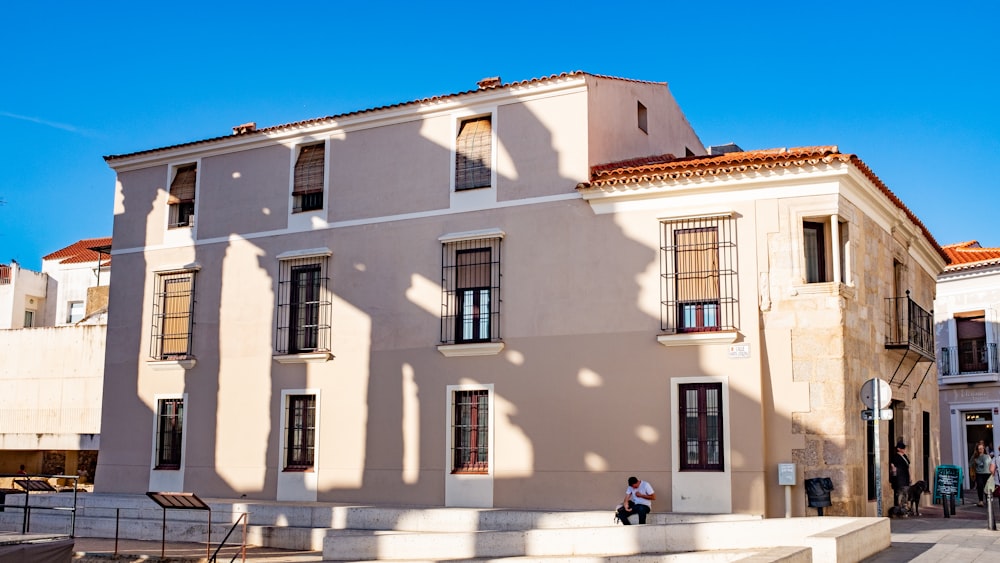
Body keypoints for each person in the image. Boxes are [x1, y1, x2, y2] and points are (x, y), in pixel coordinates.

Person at [889, 439, 911, 508]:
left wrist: (910, 476)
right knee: (900, 492)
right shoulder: (896, 457)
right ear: (899, 449)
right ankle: (899, 507)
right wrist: (894, 475)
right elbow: (892, 466)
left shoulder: (905, 456)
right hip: (899, 477)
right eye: (903, 448)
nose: (904, 449)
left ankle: (904, 507)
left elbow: (908, 466)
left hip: (906, 476)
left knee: (906, 492)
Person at [972, 442, 992, 506]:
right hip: (979, 473)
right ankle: (981, 501)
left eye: (982, 448)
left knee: (987, 487)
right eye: (979, 448)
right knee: (980, 486)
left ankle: (987, 500)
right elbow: (971, 463)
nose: (981, 450)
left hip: (987, 473)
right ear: (977, 449)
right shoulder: (975, 457)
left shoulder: (987, 456)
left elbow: (990, 464)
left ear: (984, 449)